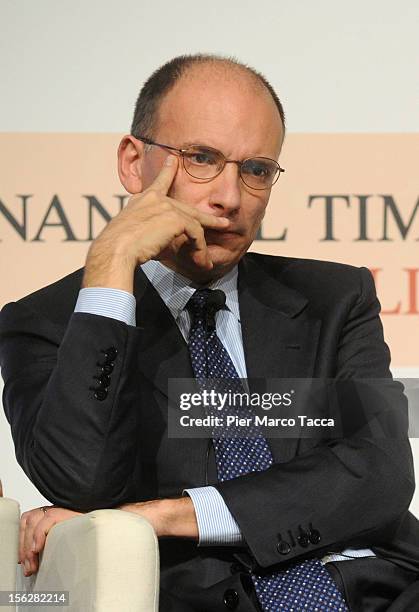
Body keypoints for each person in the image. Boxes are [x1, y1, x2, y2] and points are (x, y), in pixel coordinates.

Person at [1, 54, 418, 611]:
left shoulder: (333, 298)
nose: (230, 197)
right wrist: (110, 268)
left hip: (383, 586)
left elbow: (381, 471)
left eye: (257, 169)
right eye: (201, 158)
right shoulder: (46, 323)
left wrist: (165, 514)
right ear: (133, 162)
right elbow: (80, 486)